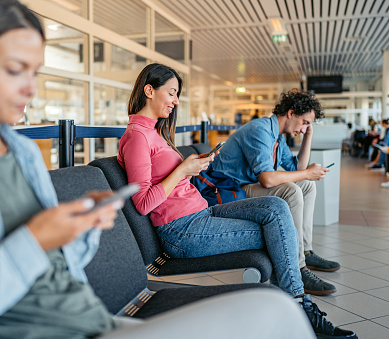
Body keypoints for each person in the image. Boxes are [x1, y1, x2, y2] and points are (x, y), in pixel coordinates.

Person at [0, 1, 318, 339]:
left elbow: (61, 267)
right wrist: (34, 241)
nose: (31, 89)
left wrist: (80, 229)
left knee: (276, 310)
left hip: (94, 319)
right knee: (276, 312)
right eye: (16, 70)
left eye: (34, 71)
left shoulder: (23, 152)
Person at [117, 63, 356, 339]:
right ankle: (300, 306)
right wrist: (182, 170)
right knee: (277, 229)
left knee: (277, 207)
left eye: (176, 94)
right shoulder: (136, 136)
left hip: (201, 214)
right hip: (182, 231)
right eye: (171, 93)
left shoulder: (153, 132)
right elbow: (143, 202)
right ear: (149, 90)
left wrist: (189, 167)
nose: (176, 101)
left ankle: (292, 303)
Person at [211, 89, 341, 296]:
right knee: (291, 190)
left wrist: (308, 136)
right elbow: (268, 179)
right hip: (231, 190)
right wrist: (306, 172)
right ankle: (298, 267)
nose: (305, 127)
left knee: (307, 185)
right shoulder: (260, 130)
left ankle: (305, 251)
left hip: (247, 186)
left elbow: (296, 168)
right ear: (291, 113)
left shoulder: (277, 137)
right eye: (305, 122)